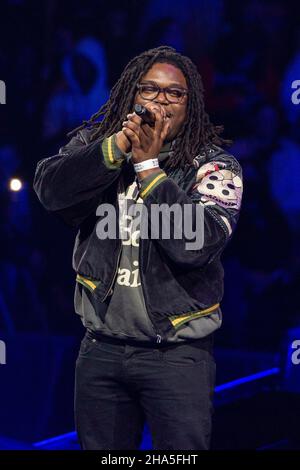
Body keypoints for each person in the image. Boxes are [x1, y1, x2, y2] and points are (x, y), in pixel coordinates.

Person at [34, 46, 243, 450]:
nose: (161, 100)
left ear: (190, 104)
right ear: (133, 97)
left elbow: (196, 244)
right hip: (101, 349)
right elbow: (49, 190)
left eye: (174, 93)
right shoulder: (103, 146)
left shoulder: (214, 167)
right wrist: (116, 150)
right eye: (149, 89)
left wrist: (149, 168)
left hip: (178, 355)